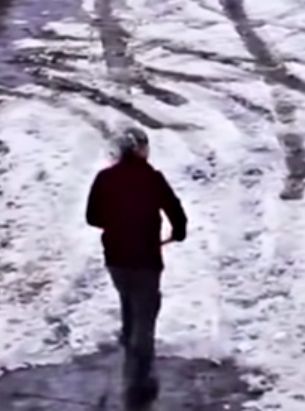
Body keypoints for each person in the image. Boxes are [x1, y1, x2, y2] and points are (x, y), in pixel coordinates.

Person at [84, 126, 187, 406]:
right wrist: (178, 231)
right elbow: (175, 209)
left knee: (127, 295)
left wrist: (117, 222)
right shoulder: (152, 178)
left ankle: (128, 339)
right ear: (139, 149)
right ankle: (139, 376)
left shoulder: (104, 178)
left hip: (115, 257)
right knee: (147, 308)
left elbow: (92, 217)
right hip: (146, 257)